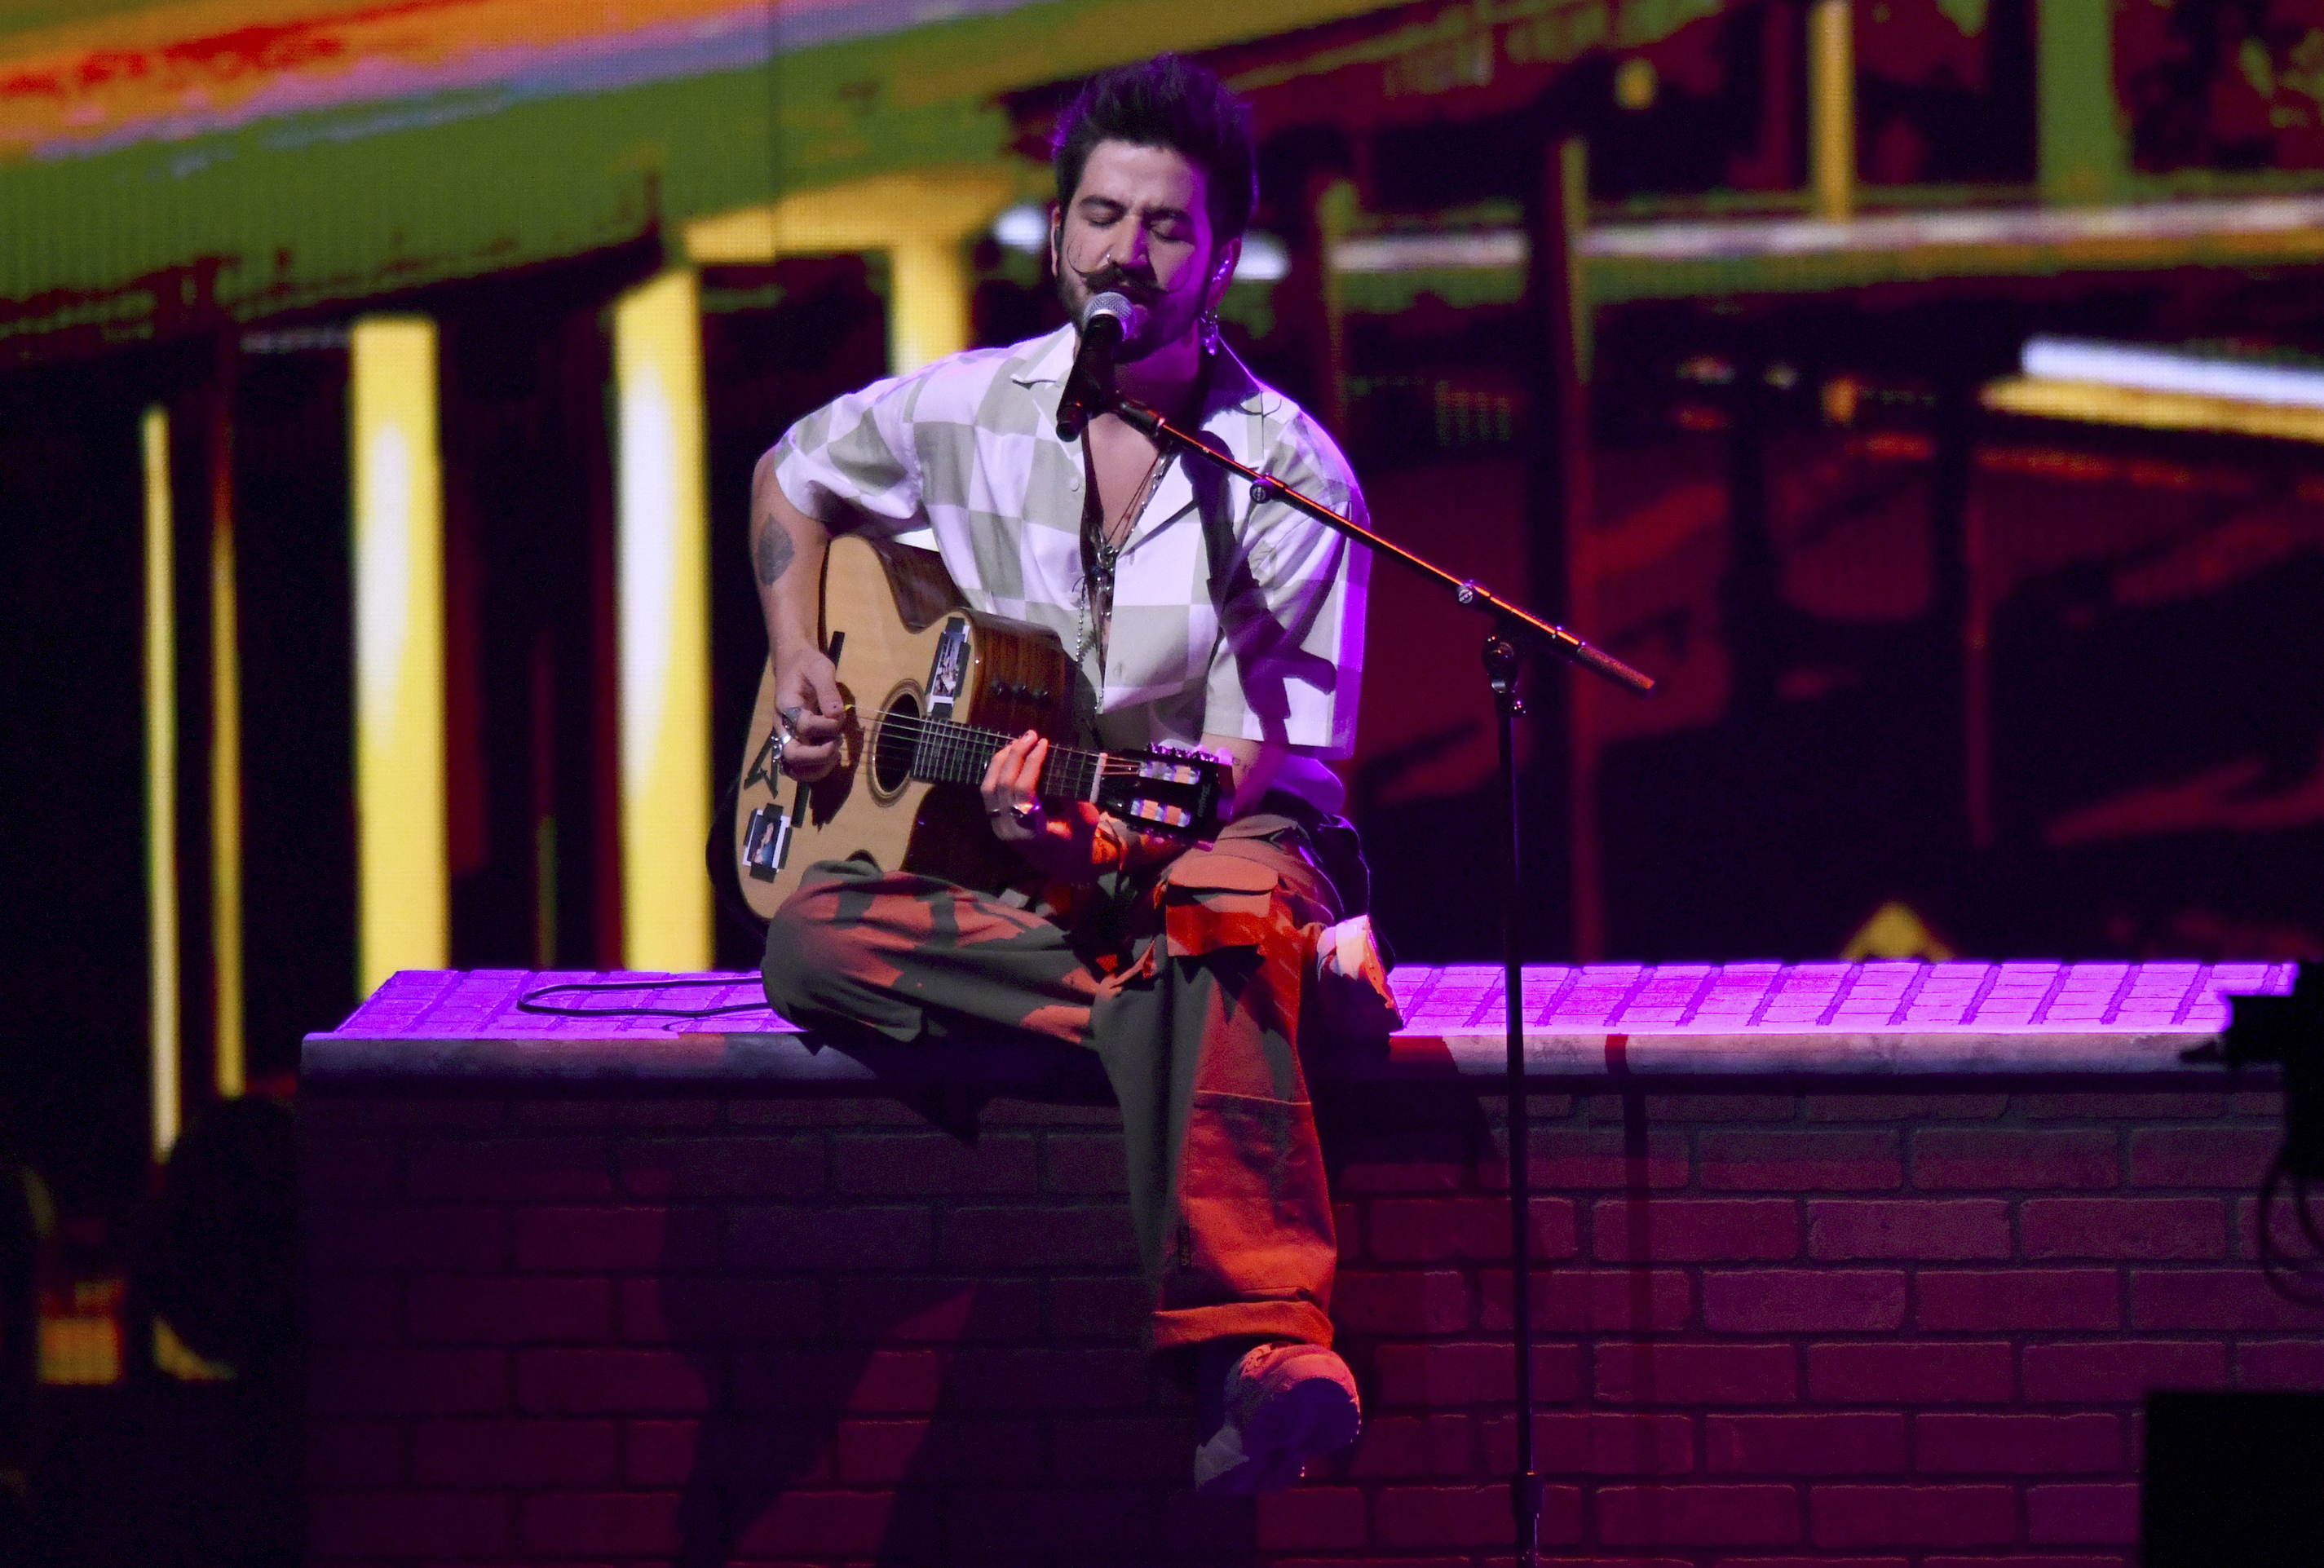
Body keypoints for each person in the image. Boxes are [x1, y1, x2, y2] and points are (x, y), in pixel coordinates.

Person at [749, 54, 1391, 1495]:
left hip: (1224, 831)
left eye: (1165, 227)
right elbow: (791, 472)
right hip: (1019, 858)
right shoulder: (965, 408)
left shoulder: (1289, 470)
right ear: (1056, 233)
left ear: (1223, 253)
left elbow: (1260, 752)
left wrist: (1095, 839)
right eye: (1099, 217)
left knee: (1218, 900)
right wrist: (799, 650)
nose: (1125, 252)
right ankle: (1222, 1012)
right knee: (813, 942)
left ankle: (1264, 1349)